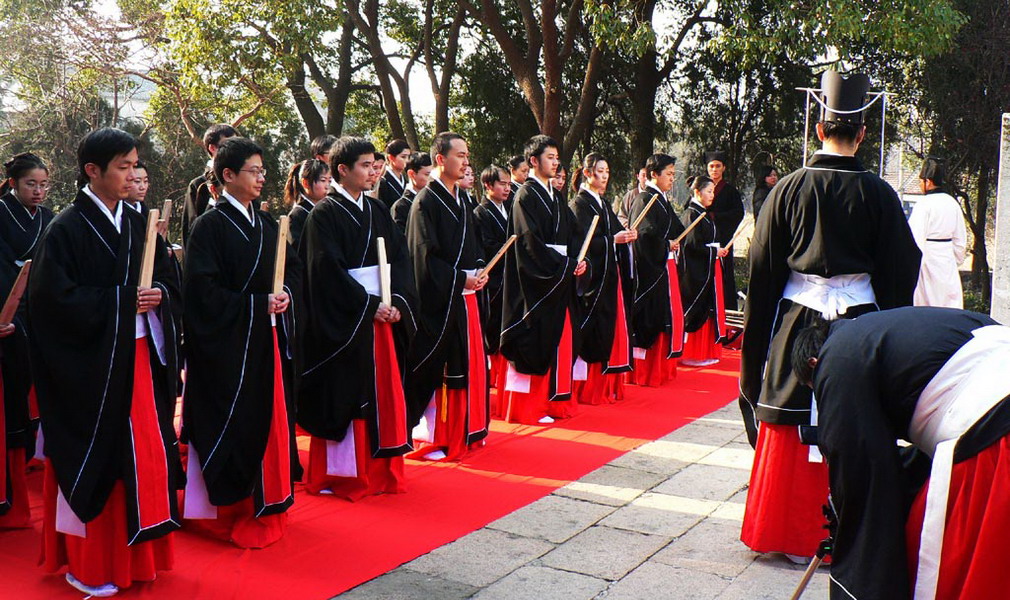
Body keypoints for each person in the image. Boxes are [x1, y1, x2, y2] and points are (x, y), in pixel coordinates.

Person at [739, 70, 921, 563]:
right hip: (859, 323)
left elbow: (761, 273)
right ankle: (850, 533)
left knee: (791, 408)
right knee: (858, 415)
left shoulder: (787, 190)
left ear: (819, 130)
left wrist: (756, 354)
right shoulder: (880, 194)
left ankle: (787, 533)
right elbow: (903, 268)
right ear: (862, 133)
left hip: (799, 317)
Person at [30, 128, 182, 596]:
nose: (134, 174)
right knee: (99, 457)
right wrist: (122, 303)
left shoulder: (137, 222)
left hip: (139, 358)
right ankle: (92, 564)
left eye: (136, 164)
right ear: (92, 171)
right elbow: (52, 303)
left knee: (142, 458)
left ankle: (139, 560)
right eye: (123, 166)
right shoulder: (67, 228)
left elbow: (166, 281)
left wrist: (161, 297)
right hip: (91, 371)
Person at [791, 307, 1009, 600]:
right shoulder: (880, 331)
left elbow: (855, 457)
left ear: (814, 363)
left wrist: (845, 508)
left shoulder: (838, 356)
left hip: (989, 425)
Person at [182, 137, 302, 549]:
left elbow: (292, 272)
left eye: (263, 170)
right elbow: (201, 293)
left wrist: (286, 293)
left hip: (265, 336)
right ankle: (228, 509)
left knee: (270, 415)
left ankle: (269, 499)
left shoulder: (268, 224)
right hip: (229, 346)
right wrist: (256, 304)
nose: (261, 177)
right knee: (233, 418)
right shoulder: (209, 227)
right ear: (227, 175)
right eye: (253, 170)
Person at [298, 136, 417, 499]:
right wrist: (368, 305)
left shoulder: (378, 210)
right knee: (348, 392)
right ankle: (344, 474)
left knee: (382, 391)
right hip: (350, 319)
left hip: (381, 313)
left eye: (374, 164)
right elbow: (325, 272)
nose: (373, 171)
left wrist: (396, 299)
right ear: (342, 169)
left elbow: (400, 259)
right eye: (365, 165)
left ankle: (381, 470)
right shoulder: (323, 214)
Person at [405, 132, 489, 461]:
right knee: (440, 369)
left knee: (463, 364)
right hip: (440, 301)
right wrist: (460, 278)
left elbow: (473, 246)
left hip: (463, 298)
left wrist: (479, 269)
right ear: (441, 159)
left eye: (467, 155)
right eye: (460, 155)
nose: (466, 161)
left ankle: (462, 430)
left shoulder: (462, 200)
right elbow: (424, 259)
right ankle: (437, 436)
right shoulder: (425, 202)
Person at [500, 135, 587, 424]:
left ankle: (553, 402)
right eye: (550, 157)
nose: (555, 162)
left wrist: (579, 260)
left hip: (558, 275)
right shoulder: (525, 195)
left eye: (556, 157)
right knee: (533, 337)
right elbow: (528, 242)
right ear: (534, 161)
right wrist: (564, 264)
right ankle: (527, 409)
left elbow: (573, 235)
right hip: (536, 280)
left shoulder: (556, 197)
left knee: (561, 336)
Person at [0, 152, 54, 529]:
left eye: (43, 185)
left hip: (39, 309)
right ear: (14, 184)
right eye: (30, 184)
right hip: (8, 310)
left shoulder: (50, 220)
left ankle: (36, 450)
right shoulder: (1, 214)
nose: (38, 191)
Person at [570, 153, 636, 405]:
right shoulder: (580, 204)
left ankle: (603, 387)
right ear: (587, 173)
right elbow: (582, 244)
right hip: (592, 280)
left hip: (609, 276)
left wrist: (626, 234)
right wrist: (612, 241)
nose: (605, 175)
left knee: (609, 327)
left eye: (607, 170)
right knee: (591, 330)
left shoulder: (602, 202)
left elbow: (612, 231)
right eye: (600, 171)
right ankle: (583, 390)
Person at [629, 153, 685, 386]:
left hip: (664, 266)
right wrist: (665, 245)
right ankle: (644, 372)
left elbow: (677, 227)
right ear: (654, 174)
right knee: (649, 315)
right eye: (669, 174)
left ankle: (660, 369)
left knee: (665, 314)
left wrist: (675, 239)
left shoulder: (660, 199)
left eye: (673, 174)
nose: (672, 179)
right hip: (649, 270)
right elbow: (644, 236)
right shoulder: (645, 199)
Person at [472, 165, 511, 414]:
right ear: (488, 186)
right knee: (493, 328)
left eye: (509, 184)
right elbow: (486, 245)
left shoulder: (507, 209)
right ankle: (494, 376)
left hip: (508, 277)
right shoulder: (481, 213)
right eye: (502, 184)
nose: (507, 188)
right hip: (493, 279)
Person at [678, 175, 726, 367]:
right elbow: (691, 246)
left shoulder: (703, 215)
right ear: (697, 192)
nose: (712, 195)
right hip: (695, 272)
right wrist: (714, 250)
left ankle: (704, 352)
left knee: (709, 307)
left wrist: (716, 251)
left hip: (708, 267)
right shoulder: (691, 215)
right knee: (696, 308)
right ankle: (692, 353)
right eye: (708, 191)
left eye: (713, 191)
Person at [908, 156, 967, 308]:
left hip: (927, 260)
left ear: (928, 181)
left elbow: (914, 239)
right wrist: (954, 261)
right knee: (948, 304)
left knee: (926, 304)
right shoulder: (952, 203)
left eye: (921, 181)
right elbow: (960, 240)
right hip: (947, 260)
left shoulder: (924, 205)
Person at [182, 124, 237, 247]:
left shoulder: (242, 180)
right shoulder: (198, 185)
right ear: (212, 148)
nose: (233, 151)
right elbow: (191, 231)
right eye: (227, 145)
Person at [703, 150, 744, 310]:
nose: (714, 169)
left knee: (724, 276)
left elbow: (738, 213)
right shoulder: (700, 188)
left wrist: (715, 217)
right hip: (705, 241)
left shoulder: (730, 191)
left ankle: (725, 310)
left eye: (718, 166)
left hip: (723, 239)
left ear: (723, 168)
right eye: (711, 166)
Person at [283, 158, 331, 251]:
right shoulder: (297, 216)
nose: (327, 186)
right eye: (323, 180)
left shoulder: (327, 211)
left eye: (329, 181)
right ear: (305, 183)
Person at [391, 152, 433, 235]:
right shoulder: (400, 207)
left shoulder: (433, 200)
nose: (431, 179)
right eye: (427, 174)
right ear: (412, 174)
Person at [378, 139, 411, 209]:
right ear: (391, 158)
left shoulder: (405, 180)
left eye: (408, 157)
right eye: (403, 157)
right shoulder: (383, 182)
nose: (407, 160)